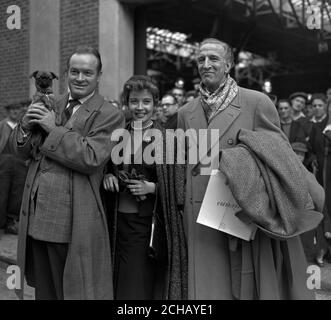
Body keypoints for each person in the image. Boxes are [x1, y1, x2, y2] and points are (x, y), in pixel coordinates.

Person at [177, 38, 324, 300]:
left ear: (229, 64)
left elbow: (279, 153)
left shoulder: (256, 102)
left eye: (214, 58)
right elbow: (183, 162)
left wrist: (235, 161)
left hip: (240, 206)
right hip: (199, 210)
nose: (206, 64)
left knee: (241, 282)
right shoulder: (186, 111)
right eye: (201, 59)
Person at [10, 46, 125, 300]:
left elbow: (92, 157)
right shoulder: (50, 101)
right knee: (44, 292)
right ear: (66, 72)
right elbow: (20, 153)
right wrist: (25, 127)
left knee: (73, 291)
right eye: (74, 71)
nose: (80, 78)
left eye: (87, 72)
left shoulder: (110, 114)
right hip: (37, 215)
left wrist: (53, 129)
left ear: (99, 75)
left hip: (71, 219)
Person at [103, 75, 187, 300]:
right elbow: (105, 167)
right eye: (134, 101)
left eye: (146, 102)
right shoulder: (118, 134)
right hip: (115, 223)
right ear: (126, 103)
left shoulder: (167, 138)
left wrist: (152, 188)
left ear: (155, 103)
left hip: (146, 226)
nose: (140, 107)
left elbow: (181, 185)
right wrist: (108, 176)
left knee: (137, 286)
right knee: (117, 282)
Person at [306, 93, 331, 266]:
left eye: (320, 105)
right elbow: (310, 149)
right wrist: (313, 157)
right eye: (314, 105)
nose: (317, 108)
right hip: (322, 170)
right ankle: (322, 248)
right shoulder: (318, 126)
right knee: (323, 205)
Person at [0, 102, 28, 234]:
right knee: (2, 192)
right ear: (8, 112)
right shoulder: (2, 125)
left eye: (17, 109)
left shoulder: (24, 127)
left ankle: (11, 223)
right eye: (12, 110)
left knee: (17, 194)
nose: (15, 112)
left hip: (20, 162)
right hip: (4, 161)